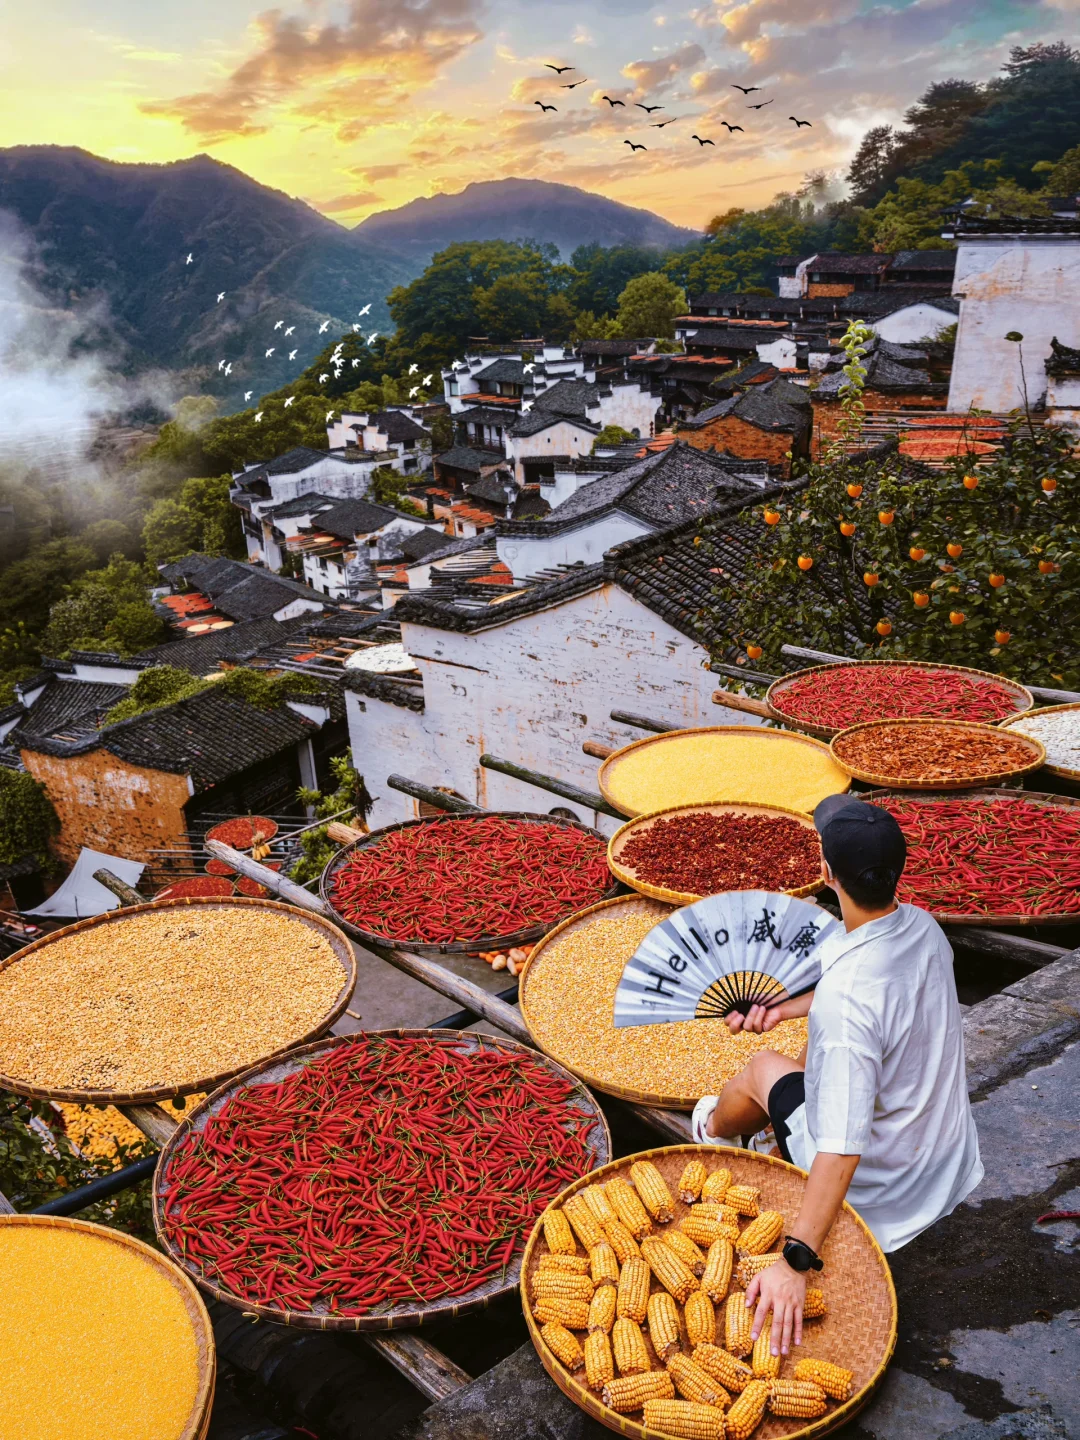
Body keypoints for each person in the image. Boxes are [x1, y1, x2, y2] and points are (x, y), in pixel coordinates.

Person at [692, 795, 983, 1361]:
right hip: (942, 1159)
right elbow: (867, 989)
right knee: (806, 1059)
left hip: (883, 1188)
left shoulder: (847, 1008)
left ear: (825, 874)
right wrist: (784, 1008)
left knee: (762, 1069)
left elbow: (843, 1149)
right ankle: (743, 1127)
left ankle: (710, 1131)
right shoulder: (923, 929)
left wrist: (795, 1260)